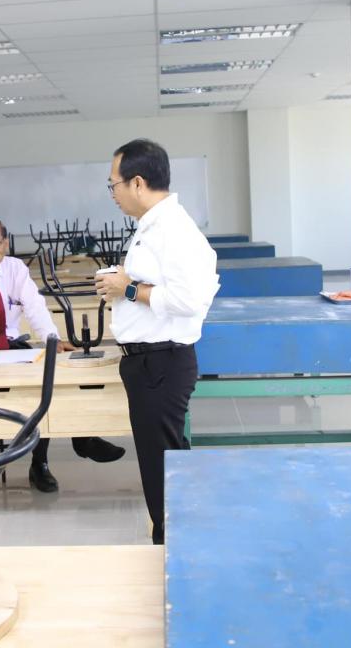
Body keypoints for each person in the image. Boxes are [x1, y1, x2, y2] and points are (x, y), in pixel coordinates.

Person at [0, 215, 126, 492]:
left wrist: (53, 341)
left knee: (50, 379)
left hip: (12, 347)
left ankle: (74, 442)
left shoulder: (15, 269)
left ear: (5, 243)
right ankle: (66, 448)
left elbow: (35, 308)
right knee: (33, 395)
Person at [94, 139, 219, 544]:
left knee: (160, 466)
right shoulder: (152, 227)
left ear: (137, 182)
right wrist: (124, 284)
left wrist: (128, 288)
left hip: (161, 364)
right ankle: (181, 543)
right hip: (149, 363)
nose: (112, 192)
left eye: (113, 184)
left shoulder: (173, 230)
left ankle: (171, 546)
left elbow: (188, 300)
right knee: (166, 461)